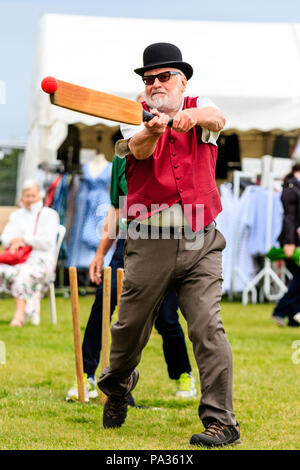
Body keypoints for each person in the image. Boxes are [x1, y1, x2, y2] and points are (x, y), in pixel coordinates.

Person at [97, 42, 240, 448]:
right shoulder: (131, 114)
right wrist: (150, 130)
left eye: (163, 77)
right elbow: (136, 151)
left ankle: (222, 422)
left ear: (182, 80)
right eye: (148, 79)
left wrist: (187, 116)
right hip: (148, 239)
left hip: (201, 239)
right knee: (128, 331)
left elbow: (217, 117)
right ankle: (118, 386)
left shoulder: (198, 104)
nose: (155, 84)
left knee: (207, 327)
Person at [66, 152, 197, 402]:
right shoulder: (122, 157)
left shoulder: (171, 153)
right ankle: (85, 375)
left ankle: (183, 374)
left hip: (166, 242)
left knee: (167, 318)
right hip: (129, 243)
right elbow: (116, 208)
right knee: (103, 307)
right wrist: (100, 253)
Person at [0, 179, 59, 326]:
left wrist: (24, 239)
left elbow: (46, 243)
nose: (29, 199)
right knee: (12, 270)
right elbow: (5, 238)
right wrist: (14, 242)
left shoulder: (49, 215)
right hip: (19, 260)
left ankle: (19, 316)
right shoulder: (17, 215)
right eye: (26, 195)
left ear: (40, 196)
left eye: (32, 195)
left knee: (23, 274)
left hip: (42, 261)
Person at [272, 163, 300, 327]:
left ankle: (292, 318)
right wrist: (289, 242)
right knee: (299, 278)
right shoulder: (291, 188)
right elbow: (289, 218)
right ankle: (280, 310)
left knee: (298, 278)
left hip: (295, 241)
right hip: (291, 242)